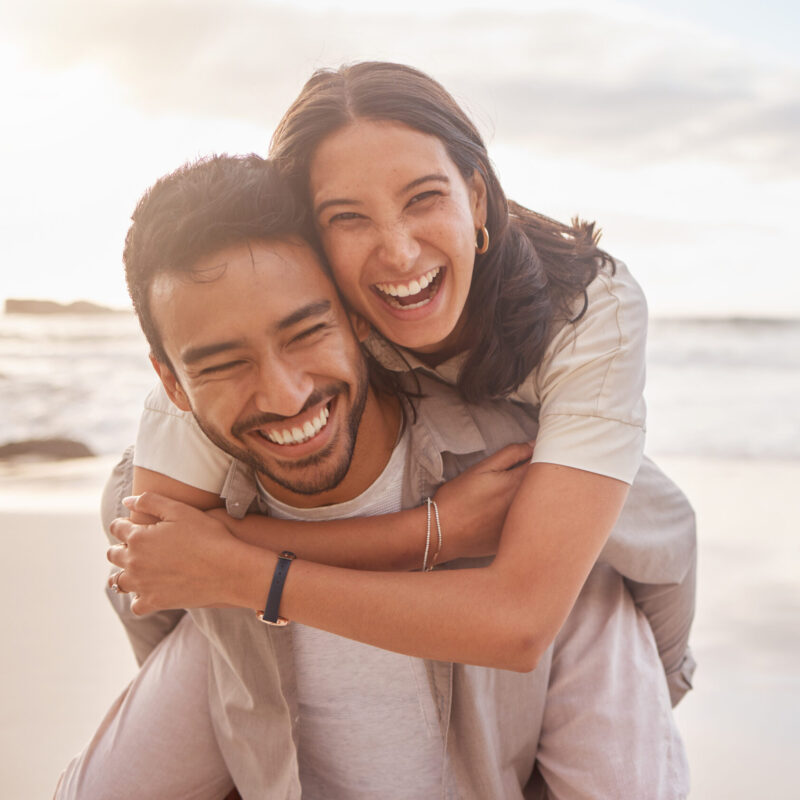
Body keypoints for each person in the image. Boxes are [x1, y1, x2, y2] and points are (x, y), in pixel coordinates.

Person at [58, 154, 687, 799]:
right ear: (172, 383)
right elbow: (151, 588)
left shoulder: (525, 487)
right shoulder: (186, 527)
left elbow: (666, 547)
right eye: (222, 364)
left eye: (305, 332)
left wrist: (423, 534)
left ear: (360, 316)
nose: (282, 395)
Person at [113, 61, 696, 702]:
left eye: (424, 199)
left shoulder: (590, 308)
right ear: (308, 237)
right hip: (438, 494)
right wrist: (425, 532)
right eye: (347, 218)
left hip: (584, 508)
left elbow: (520, 622)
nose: (398, 253)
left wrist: (252, 573)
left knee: (638, 535)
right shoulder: (277, 323)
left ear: (475, 198)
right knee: (123, 490)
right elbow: (161, 549)